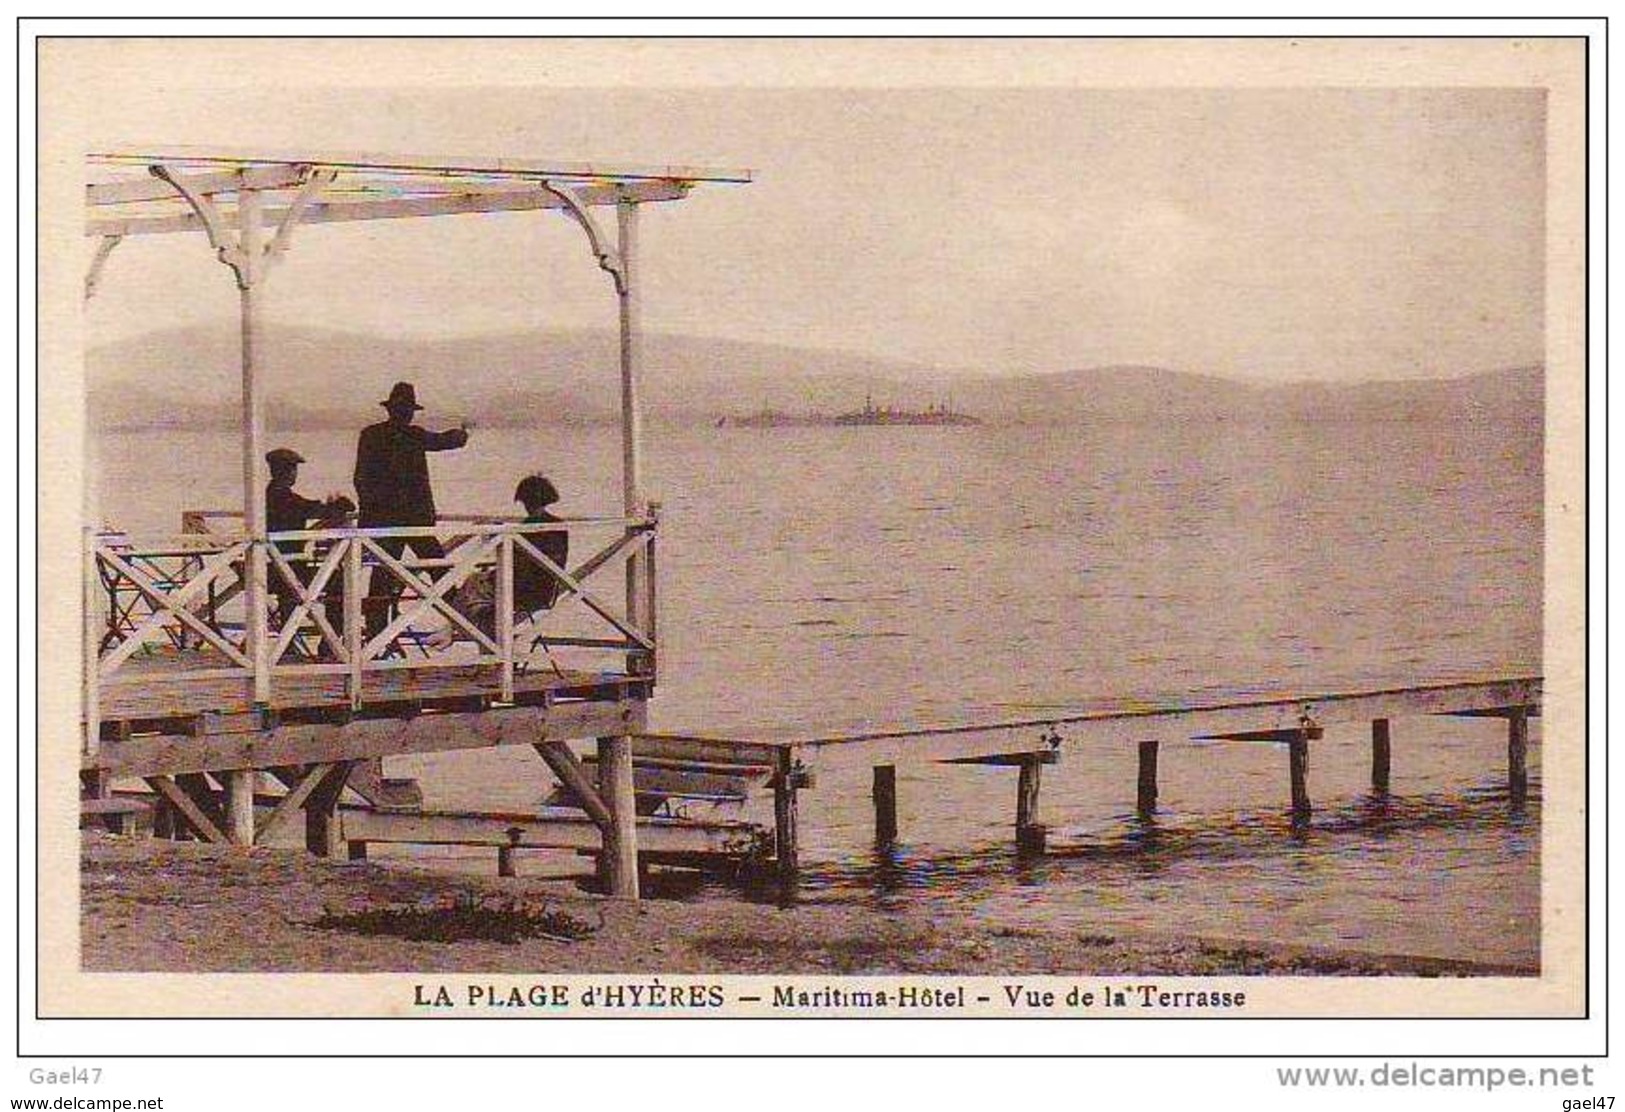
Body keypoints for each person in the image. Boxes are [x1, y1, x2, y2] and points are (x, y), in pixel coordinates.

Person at [353, 381, 470, 638]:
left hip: (382, 522)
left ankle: (376, 633)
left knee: (382, 577)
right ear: (408, 412)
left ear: (389, 409)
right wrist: (463, 433)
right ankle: (468, 622)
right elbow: (446, 441)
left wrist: (370, 512)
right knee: (439, 570)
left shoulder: (370, 435)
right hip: (415, 521)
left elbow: (360, 479)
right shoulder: (414, 435)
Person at [264, 447, 354, 638]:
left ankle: (289, 640)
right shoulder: (284, 497)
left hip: (273, 566)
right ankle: (331, 643)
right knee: (338, 582)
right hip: (286, 570)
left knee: (293, 594)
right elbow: (310, 508)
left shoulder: (269, 494)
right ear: (288, 471)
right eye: (293, 469)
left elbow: (307, 508)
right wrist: (339, 506)